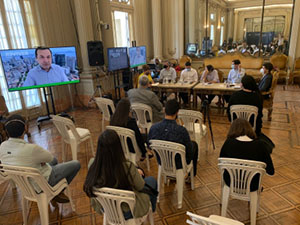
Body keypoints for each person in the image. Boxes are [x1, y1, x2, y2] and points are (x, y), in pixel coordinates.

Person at [0, 114, 80, 203]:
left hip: (26, 185)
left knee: (54, 161)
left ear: (7, 131)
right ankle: (56, 192)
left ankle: (56, 192)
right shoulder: (31, 149)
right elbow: (49, 157)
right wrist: (40, 161)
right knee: (76, 164)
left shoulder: (2, 146)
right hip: (42, 183)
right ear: (25, 129)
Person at [83, 129, 157, 220]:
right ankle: (151, 211)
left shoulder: (92, 164)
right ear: (118, 147)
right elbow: (140, 186)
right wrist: (136, 173)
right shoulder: (127, 167)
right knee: (152, 181)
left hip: (105, 208)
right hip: (128, 210)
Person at [148, 99, 198, 178]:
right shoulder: (181, 130)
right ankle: (190, 175)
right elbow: (189, 151)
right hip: (178, 164)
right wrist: (187, 162)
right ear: (177, 112)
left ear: (164, 110)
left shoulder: (153, 128)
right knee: (194, 145)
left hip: (162, 162)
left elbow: (149, 146)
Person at [220, 118, 274, 191]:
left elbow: (221, 163)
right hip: (252, 185)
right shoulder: (260, 145)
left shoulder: (228, 143)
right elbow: (271, 171)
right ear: (250, 129)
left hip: (230, 182)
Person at [227, 75, 274, 153]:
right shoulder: (257, 97)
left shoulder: (234, 95)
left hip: (236, 127)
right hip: (252, 127)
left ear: (242, 84)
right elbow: (259, 116)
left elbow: (229, 113)